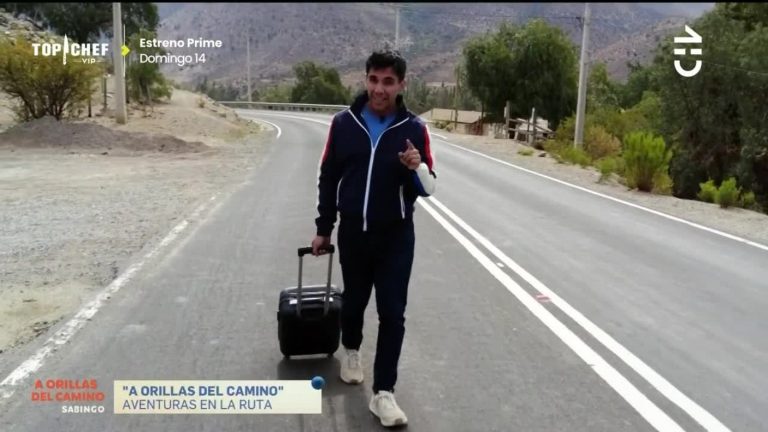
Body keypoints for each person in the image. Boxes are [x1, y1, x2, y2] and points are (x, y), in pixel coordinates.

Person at [310, 49, 436, 427]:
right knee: (354, 301)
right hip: (353, 232)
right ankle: (351, 350)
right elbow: (329, 177)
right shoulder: (344, 124)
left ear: (401, 85)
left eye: (388, 82)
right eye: (374, 80)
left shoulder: (414, 129)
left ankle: (384, 393)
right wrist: (323, 227)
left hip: (397, 236)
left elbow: (428, 188)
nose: (380, 89)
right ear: (365, 80)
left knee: (393, 314)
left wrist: (416, 168)